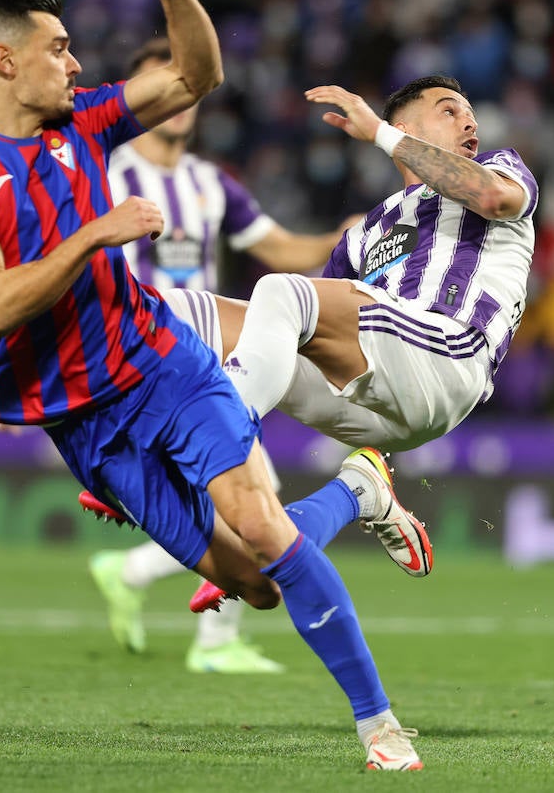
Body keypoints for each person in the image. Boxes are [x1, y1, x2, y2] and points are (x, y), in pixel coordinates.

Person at [0, 0, 425, 771]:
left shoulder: (83, 120)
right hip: (84, 421)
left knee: (261, 525)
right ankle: (358, 487)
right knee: (255, 585)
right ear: (3, 61)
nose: (75, 66)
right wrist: (94, 234)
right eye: (60, 50)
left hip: (163, 362)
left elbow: (196, 76)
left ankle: (380, 727)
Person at [176, 74, 538, 613]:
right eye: (449, 110)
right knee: (183, 313)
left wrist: (378, 135)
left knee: (281, 291)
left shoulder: (501, 169)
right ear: (406, 127)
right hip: (374, 399)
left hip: (446, 356)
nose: (470, 121)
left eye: (470, 114)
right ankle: (365, 490)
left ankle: (216, 458)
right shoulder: (368, 230)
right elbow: (298, 329)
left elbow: (490, 195)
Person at [90, 37, 358, 675]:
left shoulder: (212, 185)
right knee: (252, 494)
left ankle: (153, 590)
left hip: (208, 356)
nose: (175, 101)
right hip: (139, 355)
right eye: (156, 83)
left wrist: (338, 239)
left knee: (248, 494)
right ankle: (204, 632)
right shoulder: (103, 175)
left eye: (180, 86)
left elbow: (281, 250)